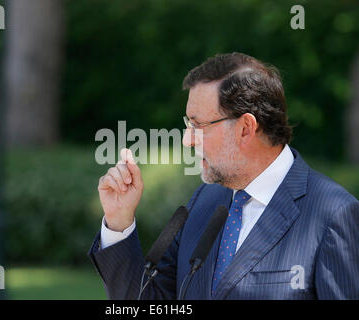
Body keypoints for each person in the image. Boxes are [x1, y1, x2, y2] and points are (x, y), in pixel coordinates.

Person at [88, 52, 359, 299]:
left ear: (245, 128)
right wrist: (119, 222)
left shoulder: (333, 215)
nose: (187, 140)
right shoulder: (204, 202)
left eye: (198, 125)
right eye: (187, 124)